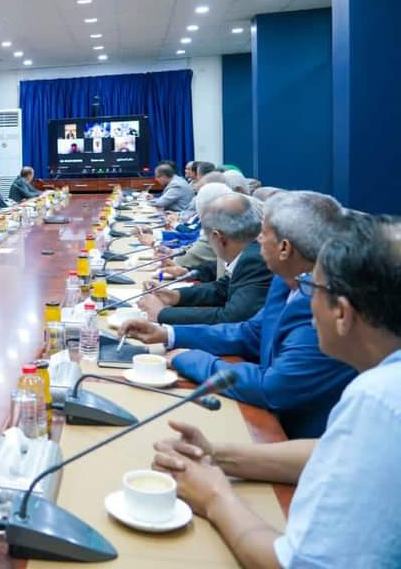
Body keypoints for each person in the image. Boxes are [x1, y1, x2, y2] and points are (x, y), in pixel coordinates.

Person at [150, 213, 401, 568]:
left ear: (342, 314)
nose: (302, 298)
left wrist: (213, 496)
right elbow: (332, 452)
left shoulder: (380, 396)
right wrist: (217, 456)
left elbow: (296, 564)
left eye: (311, 288)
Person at [119, 191, 357, 439]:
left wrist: (191, 359)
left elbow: (271, 388)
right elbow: (250, 333)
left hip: (304, 440)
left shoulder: (321, 301)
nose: (257, 239)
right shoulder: (285, 280)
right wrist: (168, 334)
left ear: (284, 248)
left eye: (263, 234)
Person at [139, 194, 272, 325]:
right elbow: (222, 289)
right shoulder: (251, 252)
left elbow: (231, 318)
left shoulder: (255, 259)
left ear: (217, 237)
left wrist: (162, 313)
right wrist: (174, 296)